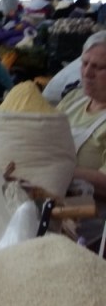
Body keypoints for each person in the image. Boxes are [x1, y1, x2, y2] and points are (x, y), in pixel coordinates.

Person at [58, 32, 106, 242]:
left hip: (93, 213)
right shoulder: (74, 99)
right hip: (52, 194)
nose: (87, 73)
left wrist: (57, 168)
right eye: (85, 63)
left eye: (99, 67)